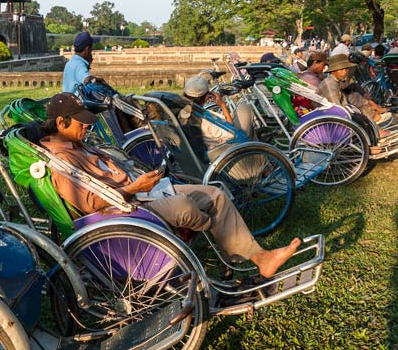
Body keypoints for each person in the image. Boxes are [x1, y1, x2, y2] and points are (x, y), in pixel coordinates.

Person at [39, 93, 301, 278]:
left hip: (142, 193)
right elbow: (88, 204)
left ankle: (257, 258)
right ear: (61, 123)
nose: (86, 127)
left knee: (215, 194)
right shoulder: (61, 161)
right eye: (80, 123)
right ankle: (217, 234)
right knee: (188, 207)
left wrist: (139, 183)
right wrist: (133, 188)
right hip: (129, 207)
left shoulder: (76, 144)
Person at [181, 75, 255, 154]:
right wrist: (222, 105)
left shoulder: (183, 113)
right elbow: (232, 132)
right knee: (245, 108)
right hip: (223, 149)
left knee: (235, 113)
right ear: (206, 97)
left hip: (206, 146)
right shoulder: (204, 120)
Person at [318, 54, 389, 125]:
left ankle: (374, 116)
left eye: (346, 69)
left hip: (340, 108)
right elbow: (337, 109)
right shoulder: (330, 85)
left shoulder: (334, 81)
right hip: (333, 116)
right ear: (333, 71)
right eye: (342, 69)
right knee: (355, 100)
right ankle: (373, 120)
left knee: (355, 93)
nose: (345, 72)